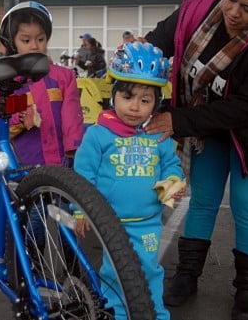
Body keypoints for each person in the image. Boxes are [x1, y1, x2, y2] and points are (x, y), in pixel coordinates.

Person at [143, 0, 248, 319]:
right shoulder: (198, 7)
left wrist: (176, 120)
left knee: (246, 203)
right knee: (203, 199)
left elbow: (246, 107)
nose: (233, 12)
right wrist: (140, 57)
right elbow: (161, 39)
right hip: (208, 126)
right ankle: (186, 276)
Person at [74, 41, 185, 320]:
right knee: (114, 272)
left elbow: (172, 165)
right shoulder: (98, 134)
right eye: (127, 97)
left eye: (145, 100)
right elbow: (83, 175)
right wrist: (80, 210)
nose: (135, 107)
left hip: (148, 221)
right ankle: (117, 314)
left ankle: (156, 313)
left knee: (149, 269)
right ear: (113, 96)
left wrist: (172, 185)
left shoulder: (158, 135)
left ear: (156, 104)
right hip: (110, 222)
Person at [0, 0, 84, 168]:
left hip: (63, 163)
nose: (34, 46)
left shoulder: (64, 77)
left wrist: (75, 151)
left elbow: (72, 117)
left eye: (40, 39)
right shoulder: (7, 81)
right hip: (25, 164)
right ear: (12, 43)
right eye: (26, 40)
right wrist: (20, 117)